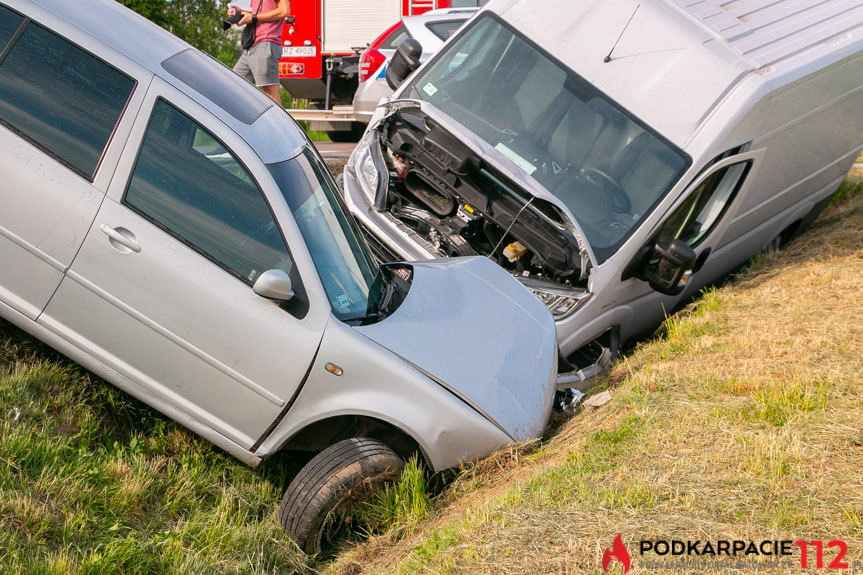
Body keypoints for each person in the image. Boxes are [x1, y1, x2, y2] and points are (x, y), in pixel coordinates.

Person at [229, 0, 290, 104]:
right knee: (235, 84)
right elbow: (259, 14)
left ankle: (278, 120)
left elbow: (284, 11)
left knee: (270, 92)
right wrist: (242, 13)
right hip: (251, 46)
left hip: (266, 43)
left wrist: (253, 17)